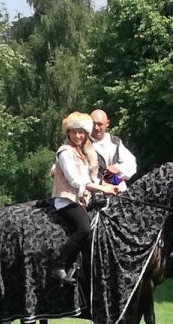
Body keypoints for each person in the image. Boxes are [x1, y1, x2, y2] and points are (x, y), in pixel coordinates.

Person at [49, 112, 120, 284]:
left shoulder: (81, 152)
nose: (78, 136)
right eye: (74, 132)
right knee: (84, 229)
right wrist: (103, 188)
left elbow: (91, 179)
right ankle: (59, 266)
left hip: (81, 199)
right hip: (66, 200)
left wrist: (110, 184)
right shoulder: (65, 152)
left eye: (81, 132)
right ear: (68, 133)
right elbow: (76, 181)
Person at [90, 109, 137, 192]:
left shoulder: (115, 142)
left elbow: (131, 164)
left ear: (107, 123)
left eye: (100, 124)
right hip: (97, 193)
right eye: (93, 124)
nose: (96, 128)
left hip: (119, 191)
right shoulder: (84, 145)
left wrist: (118, 168)